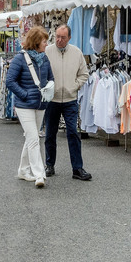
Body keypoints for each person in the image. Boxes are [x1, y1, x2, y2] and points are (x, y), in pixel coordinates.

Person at [5, 27, 54, 188]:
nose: (47, 44)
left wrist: (49, 87)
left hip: (41, 103)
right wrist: (24, 94)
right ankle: (39, 174)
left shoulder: (44, 58)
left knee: (30, 138)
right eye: (44, 41)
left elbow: (50, 78)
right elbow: (10, 81)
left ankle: (23, 170)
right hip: (24, 105)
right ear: (36, 42)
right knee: (34, 138)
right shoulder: (20, 59)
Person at [44, 25, 92, 181]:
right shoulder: (47, 52)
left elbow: (84, 74)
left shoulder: (77, 53)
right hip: (52, 99)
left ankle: (77, 168)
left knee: (73, 133)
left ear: (69, 38)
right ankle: (49, 165)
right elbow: (40, 72)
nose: (59, 40)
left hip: (70, 99)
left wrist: (75, 85)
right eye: (57, 36)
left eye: (62, 37)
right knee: (50, 134)